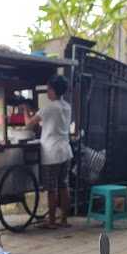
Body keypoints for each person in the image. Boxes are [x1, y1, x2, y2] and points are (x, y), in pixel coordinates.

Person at [24, 74, 72, 229]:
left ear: (53, 90)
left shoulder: (48, 108)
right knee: (63, 185)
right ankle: (64, 220)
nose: (47, 92)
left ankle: (51, 221)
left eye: (49, 89)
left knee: (52, 189)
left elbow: (29, 125)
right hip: (65, 151)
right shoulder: (67, 106)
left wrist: (25, 110)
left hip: (51, 152)